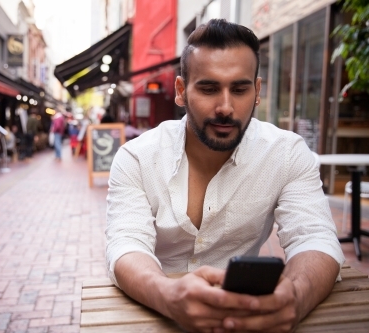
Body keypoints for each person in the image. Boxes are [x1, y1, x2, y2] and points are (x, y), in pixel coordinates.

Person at [106, 19, 344, 333]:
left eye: (240, 88)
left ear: (257, 91)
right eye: (209, 88)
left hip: (246, 315)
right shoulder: (137, 158)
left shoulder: (286, 153)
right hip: (153, 312)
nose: (226, 107)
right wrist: (167, 295)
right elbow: (126, 244)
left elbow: (316, 238)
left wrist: (296, 298)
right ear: (181, 91)